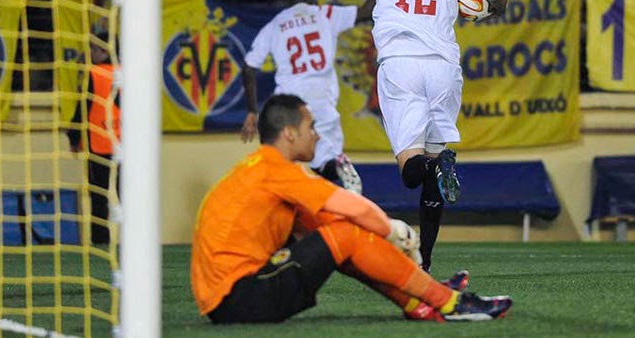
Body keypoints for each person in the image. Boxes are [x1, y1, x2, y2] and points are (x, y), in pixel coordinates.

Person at [241, 0, 508, 271]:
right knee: (433, 167)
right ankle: (427, 261)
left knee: (412, 172)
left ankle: (434, 171)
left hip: (400, 63)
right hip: (444, 68)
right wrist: (489, 10)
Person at [191, 94, 513, 324]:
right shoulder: (276, 169)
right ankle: (449, 302)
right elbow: (352, 209)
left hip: (235, 297)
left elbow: (339, 231)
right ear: (289, 134)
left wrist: (402, 268)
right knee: (344, 234)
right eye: (310, 127)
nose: (317, 135)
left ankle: (420, 300)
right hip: (239, 299)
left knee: (339, 236)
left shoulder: (261, 169)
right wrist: (393, 230)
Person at [241, 0, 371, 193]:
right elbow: (368, 9)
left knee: (285, 161)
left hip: (289, 105)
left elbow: (248, 67)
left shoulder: (276, 25)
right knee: (324, 162)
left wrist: (252, 111)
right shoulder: (326, 14)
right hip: (322, 100)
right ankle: (339, 167)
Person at [67, 31, 120, 244]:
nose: (90, 53)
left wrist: (73, 136)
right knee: (129, 197)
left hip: (99, 145)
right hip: (125, 146)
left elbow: (84, 107)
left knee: (99, 198)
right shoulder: (127, 72)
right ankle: (135, 246)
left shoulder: (95, 73)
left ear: (104, 50)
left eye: (93, 49)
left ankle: (100, 242)